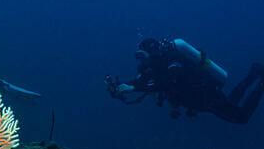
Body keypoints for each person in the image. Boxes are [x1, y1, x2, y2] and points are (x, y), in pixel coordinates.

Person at [106, 38, 264, 124]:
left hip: (207, 98)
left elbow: (165, 83)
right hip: (205, 98)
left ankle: (261, 84)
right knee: (231, 102)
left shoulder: (173, 64)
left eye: (142, 56)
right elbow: (140, 81)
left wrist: (133, 89)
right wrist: (119, 87)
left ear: (152, 53)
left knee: (241, 118)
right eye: (138, 57)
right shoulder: (155, 69)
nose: (140, 61)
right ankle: (253, 73)